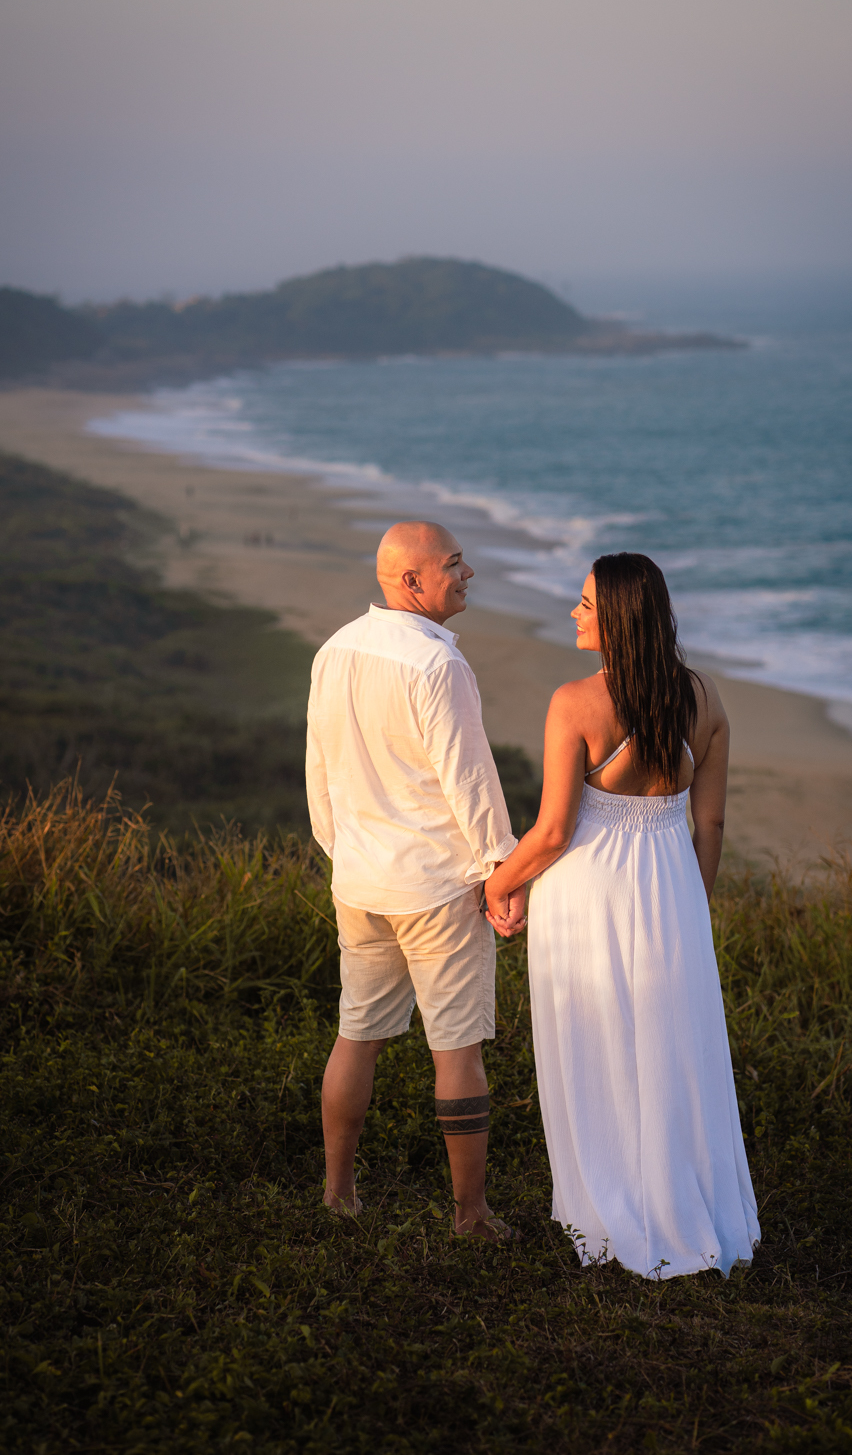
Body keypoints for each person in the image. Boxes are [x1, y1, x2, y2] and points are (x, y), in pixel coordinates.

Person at [484, 552, 760, 1277]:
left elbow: (549, 833)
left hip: (588, 893)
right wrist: (691, 909)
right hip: (672, 888)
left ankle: (608, 1207)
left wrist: (496, 885)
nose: (573, 614)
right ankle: (685, 1200)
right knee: (673, 1050)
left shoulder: (575, 702)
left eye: (584, 603)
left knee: (595, 1042)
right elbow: (714, 827)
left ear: (616, 617)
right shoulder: (707, 700)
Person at [306, 521, 525, 1238]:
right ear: (412, 582)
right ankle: (472, 1216)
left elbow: (320, 777)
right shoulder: (438, 665)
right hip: (437, 887)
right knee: (456, 1050)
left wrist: (345, 854)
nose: (468, 575)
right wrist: (500, 871)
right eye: (455, 565)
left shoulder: (334, 650)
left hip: (361, 881)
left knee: (356, 1034)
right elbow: (472, 784)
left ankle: (339, 1194)